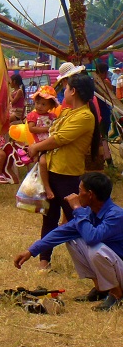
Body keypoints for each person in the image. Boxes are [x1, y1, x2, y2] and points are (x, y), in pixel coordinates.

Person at [14, 172, 123, 311]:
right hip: (115, 268)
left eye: (80, 191)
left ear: (90, 194)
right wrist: (31, 251)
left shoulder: (116, 215)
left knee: (96, 249)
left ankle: (116, 294)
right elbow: (62, 232)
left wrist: (77, 209)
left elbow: (92, 237)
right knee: (74, 240)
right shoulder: (89, 212)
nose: (76, 196)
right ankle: (101, 289)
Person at [26, 72, 100, 270]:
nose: (63, 92)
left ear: (73, 91)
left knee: (78, 221)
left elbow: (59, 138)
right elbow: (54, 133)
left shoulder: (84, 116)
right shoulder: (67, 113)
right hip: (52, 170)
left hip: (67, 175)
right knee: (49, 217)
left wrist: (36, 148)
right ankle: (44, 261)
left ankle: (96, 264)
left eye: (66, 88)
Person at [26, 85, 59, 199]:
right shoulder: (33, 115)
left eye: (43, 104)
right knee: (43, 162)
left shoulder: (53, 116)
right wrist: (47, 129)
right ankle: (47, 187)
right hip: (40, 145)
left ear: (51, 106)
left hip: (52, 143)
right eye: (38, 103)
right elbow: (32, 128)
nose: (39, 106)